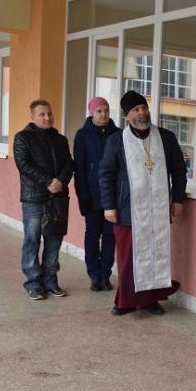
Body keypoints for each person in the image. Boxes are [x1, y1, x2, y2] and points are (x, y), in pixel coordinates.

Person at [99, 90, 187, 316]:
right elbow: (106, 174)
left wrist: (178, 199)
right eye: (136, 110)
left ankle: (151, 300)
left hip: (158, 209)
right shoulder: (116, 140)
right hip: (127, 210)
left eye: (144, 108)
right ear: (126, 116)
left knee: (156, 255)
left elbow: (179, 170)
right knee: (128, 257)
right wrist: (109, 205)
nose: (142, 113)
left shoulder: (166, 138)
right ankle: (125, 301)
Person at [13, 99, 74, 300]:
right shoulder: (22, 138)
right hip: (34, 199)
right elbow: (23, 164)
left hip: (57, 199)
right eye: (42, 114)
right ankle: (33, 283)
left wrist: (60, 182)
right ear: (32, 117)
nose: (47, 117)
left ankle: (50, 281)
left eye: (49, 113)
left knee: (54, 241)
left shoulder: (61, 139)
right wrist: (48, 181)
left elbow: (69, 164)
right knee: (32, 241)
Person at [73, 97, 119, 292]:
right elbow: (79, 169)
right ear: (91, 112)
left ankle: (105, 274)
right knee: (92, 236)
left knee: (110, 237)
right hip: (92, 197)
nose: (103, 114)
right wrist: (83, 196)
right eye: (99, 111)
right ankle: (94, 275)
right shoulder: (82, 135)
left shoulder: (118, 134)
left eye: (106, 110)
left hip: (112, 198)